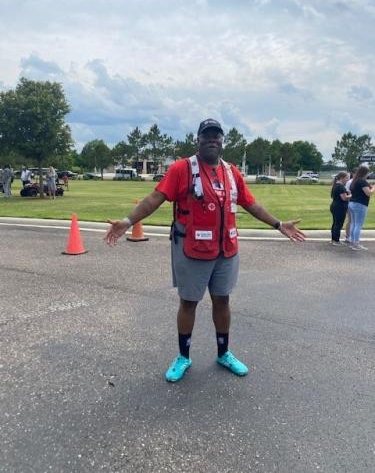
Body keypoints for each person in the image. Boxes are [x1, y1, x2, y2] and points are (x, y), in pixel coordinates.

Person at [105, 119, 305, 383]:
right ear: (197, 139)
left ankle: (224, 353)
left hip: (226, 250)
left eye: (217, 136)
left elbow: (251, 204)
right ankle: (183, 356)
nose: (212, 139)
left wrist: (279, 224)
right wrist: (127, 222)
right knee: (189, 303)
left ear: (222, 141)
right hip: (192, 249)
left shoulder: (232, 172)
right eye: (207, 135)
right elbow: (155, 198)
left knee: (222, 300)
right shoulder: (181, 169)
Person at [348, 165, 375, 251]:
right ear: (365, 173)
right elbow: (369, 193)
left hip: (352, 203)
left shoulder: (354, 181)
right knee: (358, 224)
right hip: (360, 204)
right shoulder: (362, 182)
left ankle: (352, 242)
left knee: (353, 223)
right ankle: (356, 244)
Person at [330, 172, 351, 246]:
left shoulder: (336, 185)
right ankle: (336, 240)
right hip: (339, 207)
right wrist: (352, 195)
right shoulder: (340, 187)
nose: (347, 180)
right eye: (346, 178)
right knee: (338, 224)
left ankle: (333, 239)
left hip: (335, 206)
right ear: (341, 178)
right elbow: (344, 198)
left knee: (335, 223)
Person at [344, 168, 357, 243]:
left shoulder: (360, 181)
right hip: (351, 202)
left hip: (357, 202)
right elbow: (347, 193)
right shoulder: (349, 182)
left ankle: (353, 236)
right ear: (353, 173)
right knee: (350, 220)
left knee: (355, 221)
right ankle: (348, 236)